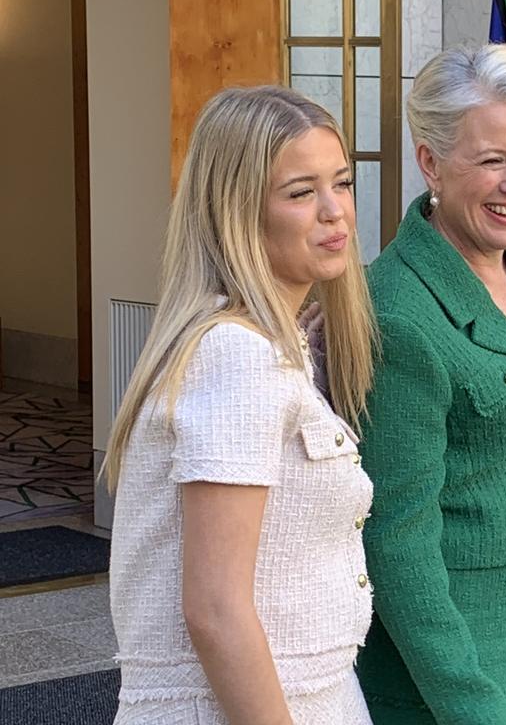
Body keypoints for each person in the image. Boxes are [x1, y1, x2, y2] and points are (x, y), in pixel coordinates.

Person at [105, 85, 377, 724]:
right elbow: (216, 608)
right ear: (235, 210)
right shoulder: (236, 355)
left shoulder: (269, 345)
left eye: (341, 183)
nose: (335, 211)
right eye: (301, 192)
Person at [355, 43, 506, 724]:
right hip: (452, 661)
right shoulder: (400, 311)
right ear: (430, 162)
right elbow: (396, 542)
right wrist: (470, 708)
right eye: (492, 161)